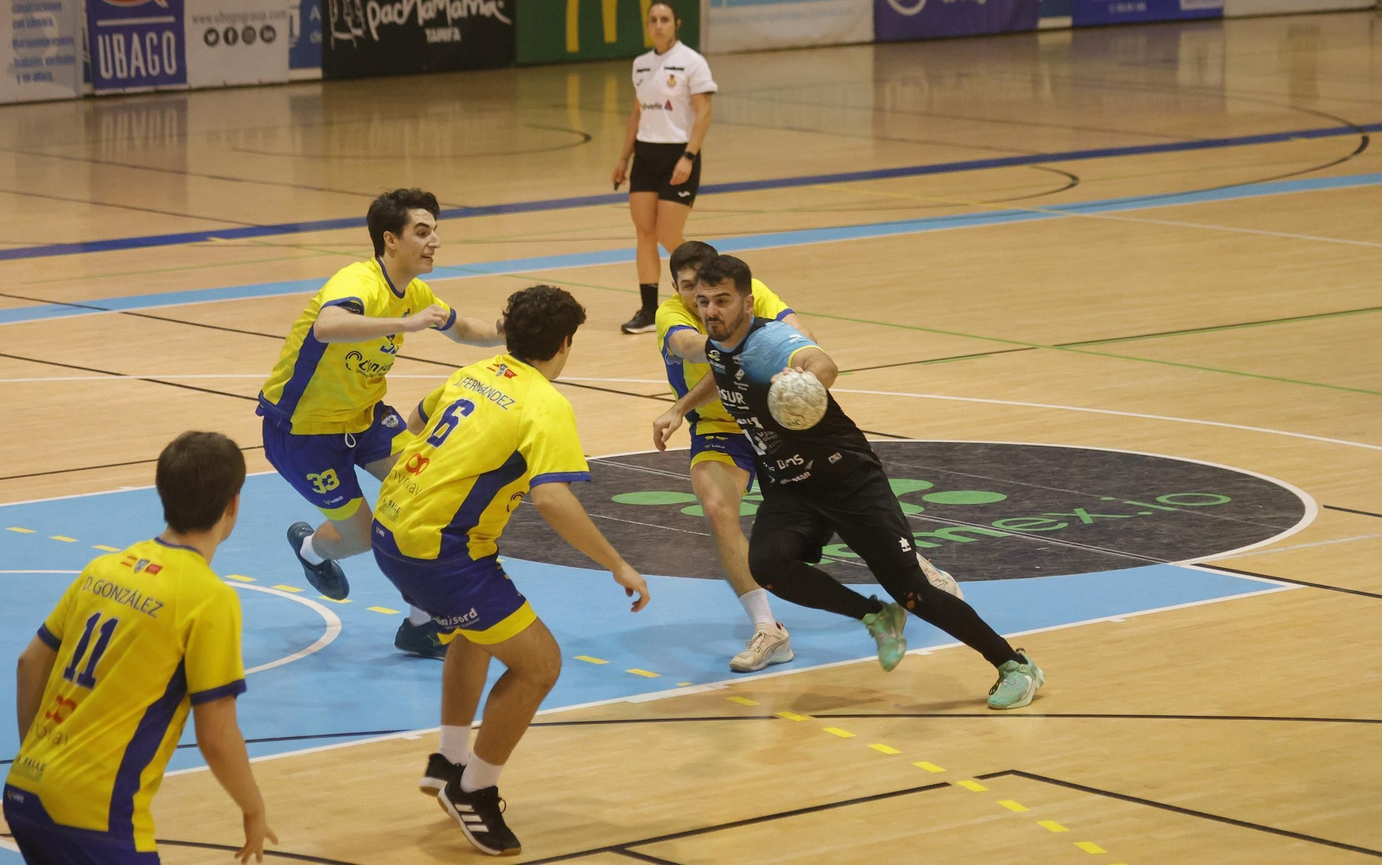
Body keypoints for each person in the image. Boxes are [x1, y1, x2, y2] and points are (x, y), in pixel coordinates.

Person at [654, 256, 1046, 710]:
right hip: (791, 485)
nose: (711, 311)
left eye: (722, 301)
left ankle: (1014, 664)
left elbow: (821, 361)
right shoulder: (721, 344)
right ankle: (876, 617)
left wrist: (804, 379)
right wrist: (681, 407)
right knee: (767, 563)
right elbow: (723, 373)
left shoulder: (770, 340)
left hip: (846, 479)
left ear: (746, 301)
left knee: (913, 591)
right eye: (703, 302)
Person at [370, 285, 650, 857]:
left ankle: (449, 758)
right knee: (540, 665)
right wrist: (618, 564)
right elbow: (553, 501)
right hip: (442, 551)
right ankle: (474, 790)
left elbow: (413, 422)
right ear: (566, 343)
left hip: (391, 526)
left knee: (473, 635)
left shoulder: (475, 372)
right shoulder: (545, 405)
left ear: (508, 331)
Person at [4, 431, 276, 864]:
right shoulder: (208, 598)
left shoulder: (104, 568)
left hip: (26, 789)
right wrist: (253, 807)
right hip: (93, 814)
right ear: (233, 504)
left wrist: (41, 762)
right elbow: (217, 734)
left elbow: (29, 663)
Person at [257, 188, 504, 659]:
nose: (434, 242)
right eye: (422, 231)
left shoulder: (415, 292)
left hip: (367, 418)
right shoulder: (359, 282)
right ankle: (312, 550)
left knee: (426, 498)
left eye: (436, 232)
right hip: (303, 431)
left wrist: (507, 332)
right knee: (361, 538)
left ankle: (421, 625)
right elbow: (327, 327)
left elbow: (461, 328)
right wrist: (404, 326)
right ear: (390, 239)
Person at [656, 241, 814, 672]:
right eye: (689, 289)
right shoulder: (671, 314)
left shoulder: (753, 292)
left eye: (710, 290)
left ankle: (912, 565)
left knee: (836, 506)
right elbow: (697, 348)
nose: (700, 299)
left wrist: (796, 359)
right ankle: (769, 629)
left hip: (773, 418)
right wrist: (681, 408)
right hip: (719, 426)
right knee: (717, 507)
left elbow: (802, 338)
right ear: (676, 287)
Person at [612, 0, 716, 335]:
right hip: (645, 155)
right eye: (653, 20)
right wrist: (623, 158)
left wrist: (689, 155)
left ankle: (716, 287)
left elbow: (703, 114)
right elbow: (636, 115)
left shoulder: (692, 63)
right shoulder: (641, 64)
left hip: (678, 156)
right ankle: (648, 309)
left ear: (676, 23)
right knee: (644, 234)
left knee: (668, 235)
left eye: (665, 20)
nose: (658, 25)